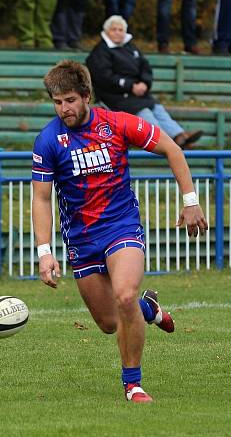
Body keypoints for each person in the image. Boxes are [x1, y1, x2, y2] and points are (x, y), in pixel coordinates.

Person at [31, 60, 207, 402]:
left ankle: (133, 384)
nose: (63, 108)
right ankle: (150, 310)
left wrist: (190, 201)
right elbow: (41, 198)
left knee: (124, 294)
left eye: (69, 100)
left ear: (86, 96)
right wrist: (44, 251)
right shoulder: (48, 140)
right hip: (81, 238)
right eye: (57, 102)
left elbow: (172, 149)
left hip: (121, 226)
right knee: (110, 322)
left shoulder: (117, 124)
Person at [86, 15, 203, 148]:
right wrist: (130, 86)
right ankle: (165, 142)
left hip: (138, 93)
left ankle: (179, 136)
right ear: (107, 31)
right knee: (144, 111)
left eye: (120, 29)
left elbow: (145, 67)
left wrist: (144, 83)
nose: (118, 32)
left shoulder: (131, 48)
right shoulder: (100, 52)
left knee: (157, 108)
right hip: (114, 96)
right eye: (114, 29)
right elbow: (104, 77)